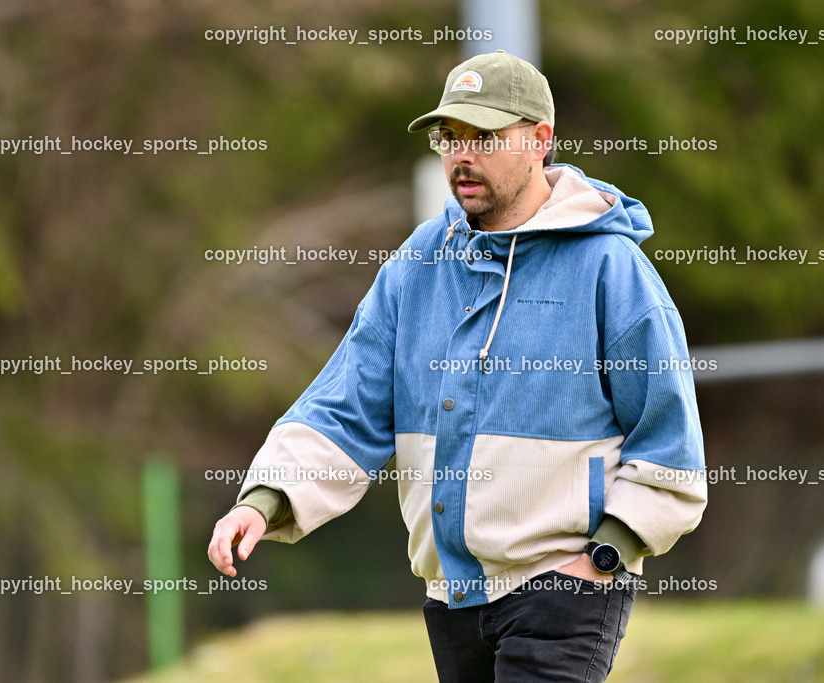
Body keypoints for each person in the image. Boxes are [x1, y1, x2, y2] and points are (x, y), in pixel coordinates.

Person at [208, 50, 707, 682]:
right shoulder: (418, 263)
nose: (461, 156)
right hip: (450, 600)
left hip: (564, 592)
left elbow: (672, 447)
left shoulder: (612, 269)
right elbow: (349, 401)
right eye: (451, 137)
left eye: (485, 137)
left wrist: (606, 554)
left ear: (540, 140)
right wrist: (265, 498)